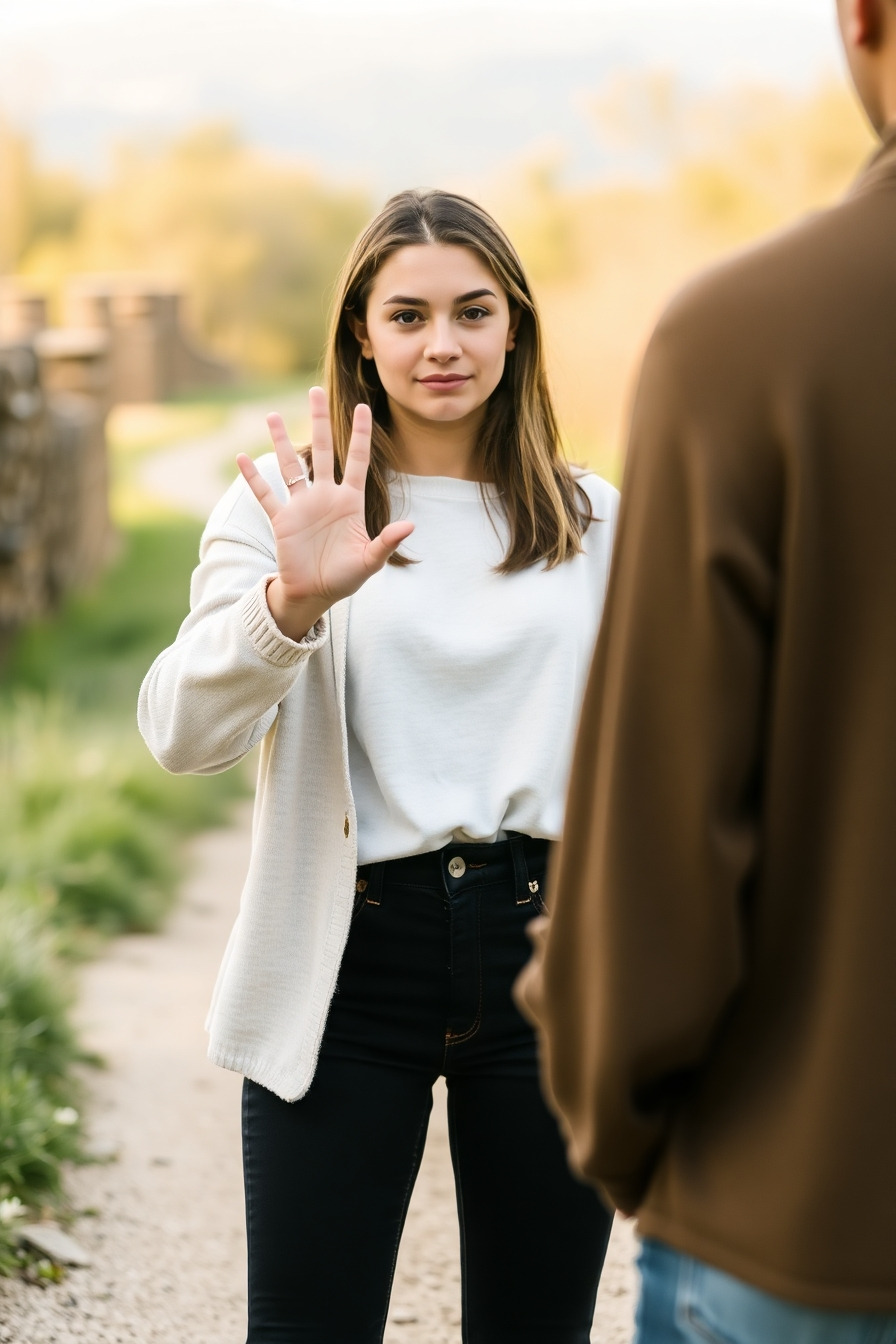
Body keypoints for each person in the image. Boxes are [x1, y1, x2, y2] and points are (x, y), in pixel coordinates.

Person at [138, 188, 618, 1344]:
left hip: (547, 958)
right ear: (361, 331)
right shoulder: (289, 510)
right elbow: (178, 732)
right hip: (347, 960)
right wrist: (286, 605)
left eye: (470, 312)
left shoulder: (595, 518)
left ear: (516, 327)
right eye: (405, 316)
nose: (440, 345)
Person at [515, 2, 896, 1341]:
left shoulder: (748, 347)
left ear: (860, 20)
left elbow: (661, 849)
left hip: (806, 1223)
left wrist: (620, 1126)